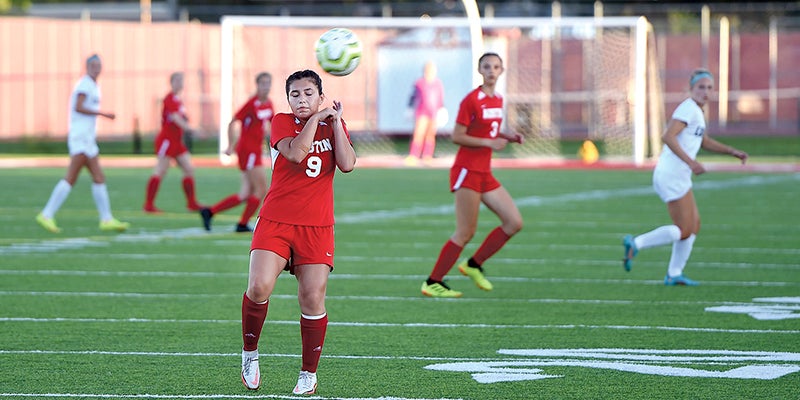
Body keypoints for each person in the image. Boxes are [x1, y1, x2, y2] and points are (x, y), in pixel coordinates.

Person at [239, 70, 356, 394]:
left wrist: (335, 124)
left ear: (321, 94)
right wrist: (316, 118)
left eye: (308, 93)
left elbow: (347, 164)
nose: (301, 100)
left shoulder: (333, 125)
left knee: (312, 297)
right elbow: (296, 153)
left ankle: (308, 373)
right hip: (276, 221)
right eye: (295, 94)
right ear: (287, 98)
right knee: (259, 286)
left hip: (317, 226)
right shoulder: (280, 121)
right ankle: (250, 352)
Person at [622, 68, 748, 286]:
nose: (706, 91)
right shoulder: (688, 108)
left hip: (679, 175)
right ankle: (636, 243)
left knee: (694, 225)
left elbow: (704, 141)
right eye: (701, 87)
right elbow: (667, 136)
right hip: (671, 174)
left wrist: (731, 151)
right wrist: (691, 162)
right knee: (684, 229)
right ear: (690, 89)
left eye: (709, 87)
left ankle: (674, 273)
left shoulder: (697, 112)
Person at [421, 53, 524, 298]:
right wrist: (489, 143)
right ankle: (433, 282)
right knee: (466, 232)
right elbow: (457, 136)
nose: (491, 71)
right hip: (467, 171)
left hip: (484, 172)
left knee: (514, 222)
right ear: (480, 70)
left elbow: (491, 129)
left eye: (496, 67)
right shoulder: (472, 100)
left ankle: (473, 265)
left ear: (502, 70)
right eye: (487, 66)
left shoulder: (498, 100)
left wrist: (508, 137)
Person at [35, 54, 130, 233]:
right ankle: (46, 214)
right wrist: (102, 114)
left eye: (99, 65)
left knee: (99, 177)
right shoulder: (85, 84)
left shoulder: (94, 85)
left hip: (88, 139)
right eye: (93, 65)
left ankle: (106, 219)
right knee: (71, 177)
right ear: (86, 67)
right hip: (80, 138)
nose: (96, 68)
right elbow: (78, 106)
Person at [200, 72, 274, 233]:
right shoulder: (251, 104)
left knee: (245, 193)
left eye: (268, 83)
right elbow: (232, 122)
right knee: (261, 190)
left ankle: (210, 212)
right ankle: (242, 223)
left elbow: (272, 125)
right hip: (247, 150)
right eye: (263, 83)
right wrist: (230, 145)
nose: (266, 87)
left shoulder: (268, 104)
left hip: (255, 150)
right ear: (257, 85)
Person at [142, 72, 204, 213]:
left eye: (181, 80)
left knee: (189, 168)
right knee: (160, 170)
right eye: (177, 80)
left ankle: (191, 203)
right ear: (171, 82)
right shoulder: (169, 98)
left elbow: (180, 117)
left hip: (176, 142)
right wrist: (192, 130)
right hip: (167, 141)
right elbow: (175, 118)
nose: (180, 83)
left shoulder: (178, 100)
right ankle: (148, 205)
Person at [405, 61, 445, 166]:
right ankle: (414, 155)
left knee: (430, 135)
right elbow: (412, 96)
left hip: (433, 112)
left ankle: (427, 155)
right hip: (422, 112)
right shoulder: (419, 83)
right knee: (419, 133)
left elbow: (440, 98)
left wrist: (442, 110)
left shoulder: (438, 83)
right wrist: (409, 108)